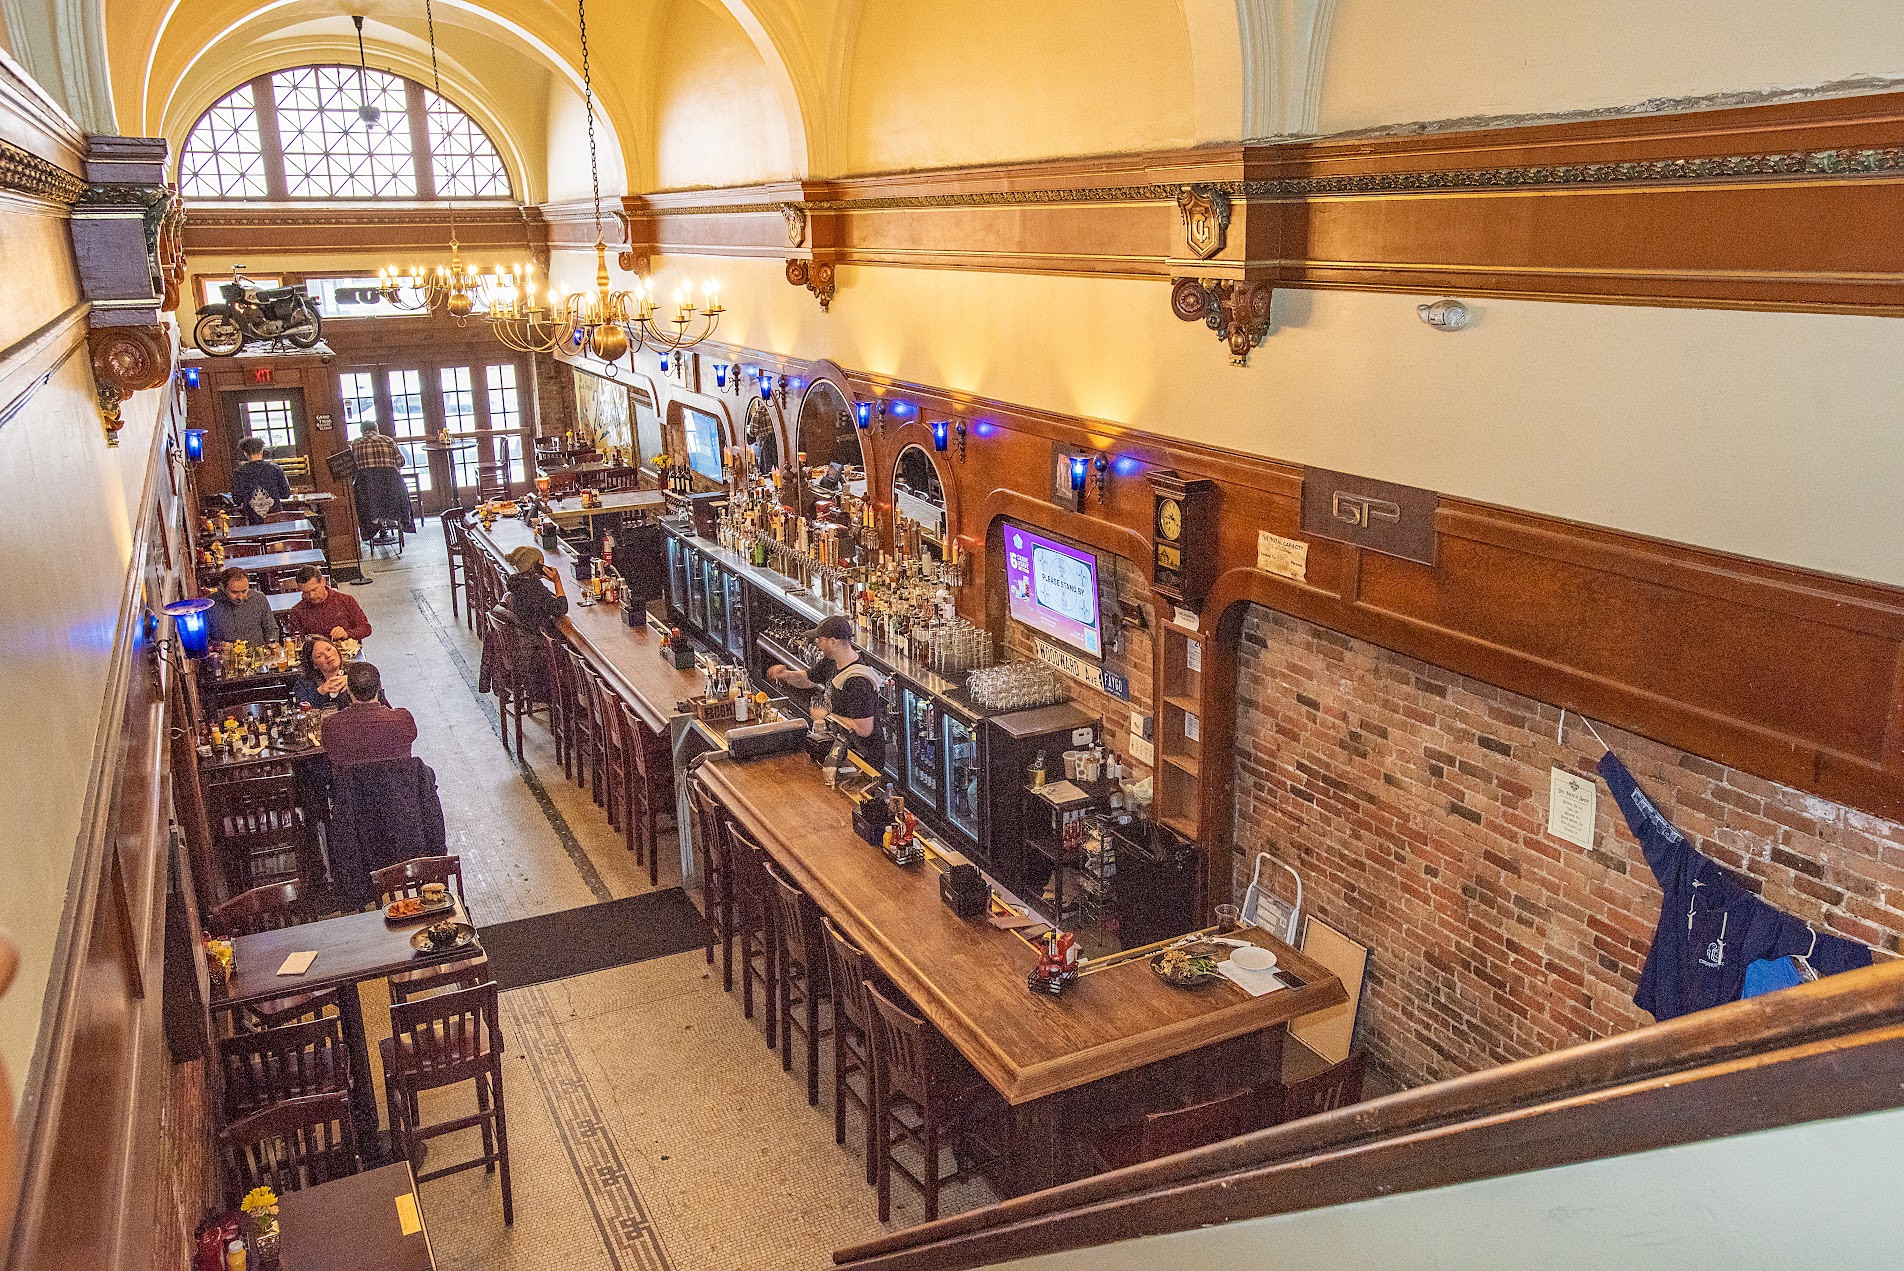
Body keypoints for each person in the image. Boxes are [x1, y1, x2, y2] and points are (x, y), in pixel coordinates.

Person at [767, 614, 885, 768]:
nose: (818, 645)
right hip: (841, 748)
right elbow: (807, 679)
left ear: (832, 641)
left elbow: (863, 729)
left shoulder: (858, 681)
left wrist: (827, 715)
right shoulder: (832, 662)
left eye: (820, 640)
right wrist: (786, 675)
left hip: (862, 759)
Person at [320, 663, 418, 768]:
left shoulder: (330, 726)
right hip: (398, 778)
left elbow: (329, 750)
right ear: (379, 687)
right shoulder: (403, 719)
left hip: (353, 779)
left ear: (348, 689)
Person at [282, 564, 371, 641]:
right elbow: (298, 641)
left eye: (314, 590)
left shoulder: (346, 600)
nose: (311, 596)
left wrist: (347, 634)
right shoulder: (297, 611)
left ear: (323, 581)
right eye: (305, 592)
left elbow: (366, 629)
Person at [204, 566, 279, 647]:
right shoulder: (209, 604)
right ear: (222, 587)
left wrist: (272, 643)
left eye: (244, 591)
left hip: (258, 652)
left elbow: (271, 629)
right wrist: (218, 646)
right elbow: (205, 638)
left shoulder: (259, 599)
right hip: (225, 654)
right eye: (234, 592)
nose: (240, 597)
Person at [231, 437, 292, 523]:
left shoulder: (238, 472)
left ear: (245, 453)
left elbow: (237, 499)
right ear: (261, 451)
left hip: (252, 521)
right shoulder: (275, 469)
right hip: (276, 520)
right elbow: (286, 494)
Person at [293, 637, 354, 709]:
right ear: (314, 664)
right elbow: (302, 709)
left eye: (329, 649)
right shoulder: (304, 683)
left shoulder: (356, 670)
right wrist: (321, 691)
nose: (328, 655)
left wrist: (353, 681)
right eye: (319, 656)